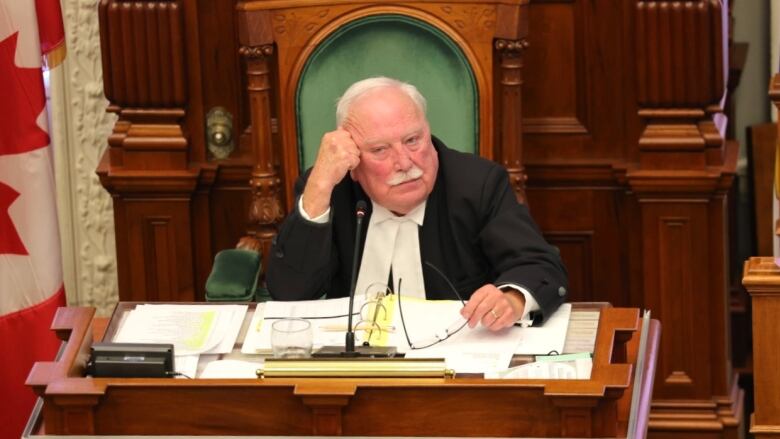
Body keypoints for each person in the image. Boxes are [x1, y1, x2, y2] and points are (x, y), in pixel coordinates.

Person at [266, 77, 568, 330]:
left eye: (413, 140)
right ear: (353, 162)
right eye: (381, 149)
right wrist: (318, 188)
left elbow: (540, 266)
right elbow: (290, 294)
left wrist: (512, 297)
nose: (405, 162)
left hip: (453, 368)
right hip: (351, 369)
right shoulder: (330, 188)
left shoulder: (477, 184)